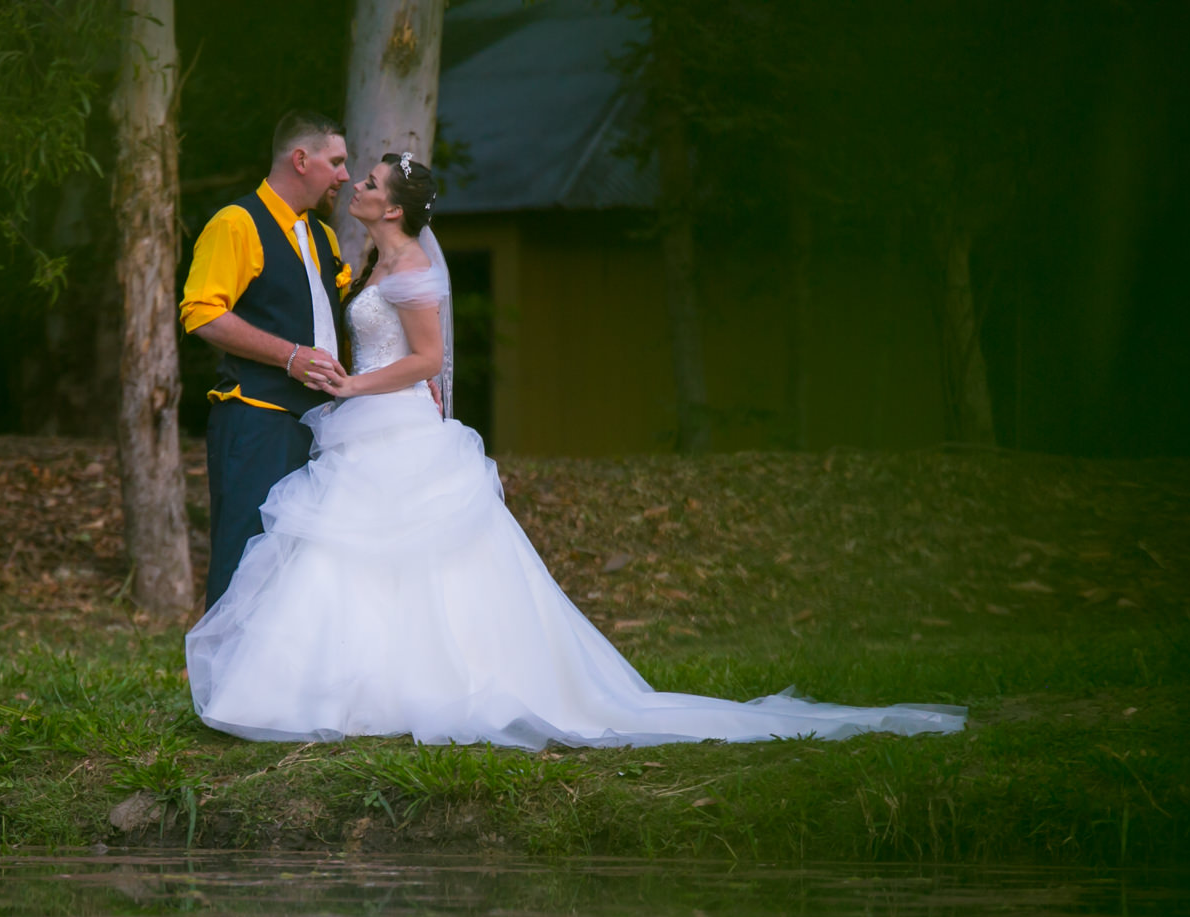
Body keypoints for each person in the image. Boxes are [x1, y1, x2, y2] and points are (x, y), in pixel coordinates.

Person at [185, 154, 965, 748]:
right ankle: (338, 686)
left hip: (394, 425)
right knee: (354, 558)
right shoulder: (373, 260)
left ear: (391, 206)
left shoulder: (414, 269)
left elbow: (428, 359)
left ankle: (423, 686)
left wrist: (357, 385)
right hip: (368, 429)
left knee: (419, 559)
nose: (356, 184)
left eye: (370, 181)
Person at [180, 110, 352, 607]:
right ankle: (223, 662)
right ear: (300, 159)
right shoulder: (236, 223)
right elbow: (201, 314)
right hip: (257, 421)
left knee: (302, 577)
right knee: (243, 566)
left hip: (321, 429)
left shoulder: (323, 237)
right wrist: (290, 356)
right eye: (335, 162)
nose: (344, 176)